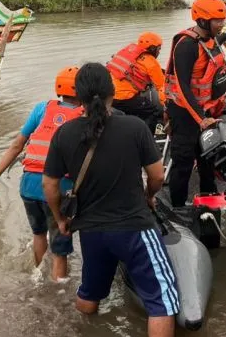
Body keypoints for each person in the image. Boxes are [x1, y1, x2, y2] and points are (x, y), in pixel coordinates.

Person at [43, 63, 178, 337]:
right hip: (134, 228)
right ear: (112, 92)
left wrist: (60, 219)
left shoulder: (64, 134)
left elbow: (50, 185)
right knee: (162, 302)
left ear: (77, 96)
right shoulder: (135, 127)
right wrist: (149, 197)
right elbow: (157, 176)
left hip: (91, 232)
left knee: (89, 297)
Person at [0, 66, 82, 281]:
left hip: (28, 185)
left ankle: (37, 275)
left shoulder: (41, 109)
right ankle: (58, 290)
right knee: (60, 248)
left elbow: (17, 145)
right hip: (57, 188)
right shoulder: (83, 116)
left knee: (38, 234)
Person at [164, 0, 226, 207]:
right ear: (203, 21)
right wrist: (201, 120)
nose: (221, 24)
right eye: (217, 21)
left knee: (207, 158)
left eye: (223, 19)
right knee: (184, 162)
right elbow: (183, 87)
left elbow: (216, 41)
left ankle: (209, 199)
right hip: (185, 112)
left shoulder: (211, 37)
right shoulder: (186, 46)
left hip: (205, 110)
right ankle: (178, 206)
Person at [108, 31, 166, 134]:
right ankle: (145, 136)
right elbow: (161, 88)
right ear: (153, 49)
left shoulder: (128, 52)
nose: (159, 52)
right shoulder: (151, 62)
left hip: (110, 95)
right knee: (154, 111)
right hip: (125, 98)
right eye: (159, 49)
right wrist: (167, 107)